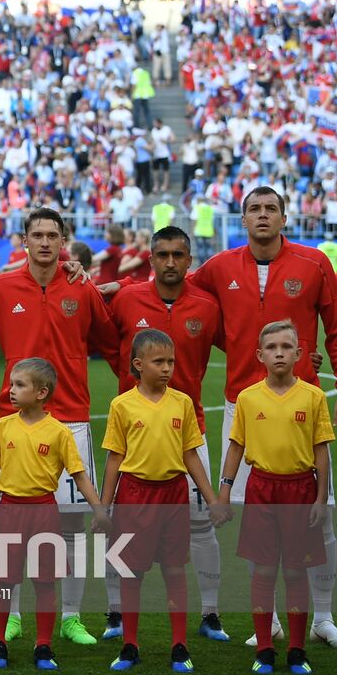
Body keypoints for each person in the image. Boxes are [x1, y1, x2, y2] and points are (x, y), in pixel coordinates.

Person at [190, 186, 337, 649]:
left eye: (271, 209)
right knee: (254, 519)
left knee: (319, 517)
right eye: (254, 209)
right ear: (242, 219)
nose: (263, 216)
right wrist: (105, 285)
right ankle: (273, 619)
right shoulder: (220, 266)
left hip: (303, 408)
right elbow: (175, 291)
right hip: (242, 406)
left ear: (285, 218)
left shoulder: (313, 263)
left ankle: (322, 618)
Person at [0, 208, 120, 646]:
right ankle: (11, 618)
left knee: (68, 525)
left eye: (53, 235)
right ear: (24, 241)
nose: (46, 242)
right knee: (13, 525)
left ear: (63, 240)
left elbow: (110, 342)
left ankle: (69, 617)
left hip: (71, 418)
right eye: (38, 235)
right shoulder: (0, 287)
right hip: (13, 421)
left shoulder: (81, 288)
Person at [105, 227, 229, 641]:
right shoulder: (126, 299)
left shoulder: (208, 307)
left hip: (189, 430)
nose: (170, 262)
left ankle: (210, 613)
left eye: (179, 254)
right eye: (163, 254)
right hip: (134, 435)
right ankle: (116, 616)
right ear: (151, 259)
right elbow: (105, 343)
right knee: (121, 535)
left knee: (201, 528)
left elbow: (245, 345)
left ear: (189, 260)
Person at [0, 358, 111, 671]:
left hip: (43, 512)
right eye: (11, 384)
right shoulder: (3, 426)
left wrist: (99, 510)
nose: (10, 390)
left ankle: (44, 646)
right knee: (3, 581)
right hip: (9, 511)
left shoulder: (58, 432)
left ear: (41, 393)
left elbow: (79, 475)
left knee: (44, 583)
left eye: (19, 385)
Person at [100, 330, 227, 674]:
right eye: (159, 361)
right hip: (134, 495)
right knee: (131, 572)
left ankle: (179, 645)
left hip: (173, 495)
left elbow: (190, 455)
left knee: (174, 569)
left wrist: (213, 499)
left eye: (171, 361)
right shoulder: (122, 405)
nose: (168, 368)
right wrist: (103, 505)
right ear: (138, 365)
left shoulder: (182, 403)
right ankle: (130, 645)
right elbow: (114, 458)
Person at [218, 321, 335, 675]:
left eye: (287, 346)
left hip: (300, 490)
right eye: (272, 347)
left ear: (299, 354)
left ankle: (297, 650)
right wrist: (224, 491)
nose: (279, 352)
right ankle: (265, 648)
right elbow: (236, 446)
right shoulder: (249, 398)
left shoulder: (313, 397)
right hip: (262, 489)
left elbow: (321, 451)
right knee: (265, 571)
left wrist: (320, 499)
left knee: (297, 571)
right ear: (260, 355)